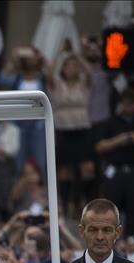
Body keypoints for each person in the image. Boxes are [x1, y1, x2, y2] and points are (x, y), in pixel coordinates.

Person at [47, 47, 95, 217]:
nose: (72, 69)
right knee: (65, 169)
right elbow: (48, 71)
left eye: (75, 66)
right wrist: (60, 53)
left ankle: (82, 200)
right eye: (68, 66)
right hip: (63, 129)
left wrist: (77, 55)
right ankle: (66, 203)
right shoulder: (58, 84)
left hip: (82, 128)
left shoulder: (84, 83)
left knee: (87, 167)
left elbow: (90, 71)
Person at [95, 89, 134, 236]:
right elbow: (99, 147)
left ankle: (131, 238)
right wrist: (118, 140)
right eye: (125, 104)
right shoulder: (111, 122)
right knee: (111, 209)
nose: (128, 107)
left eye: (131, 104)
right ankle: (111, 237)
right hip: (115, 172)